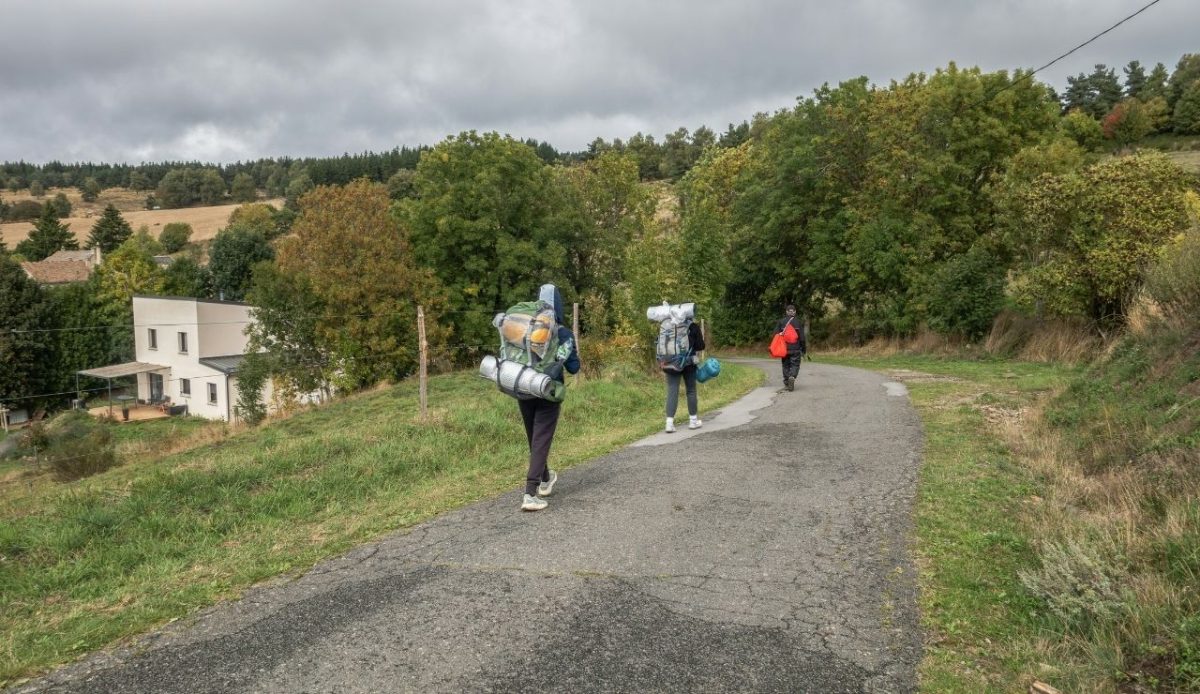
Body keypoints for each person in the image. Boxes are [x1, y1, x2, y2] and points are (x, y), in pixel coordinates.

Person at [519, 284, 580, 512]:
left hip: (523, 387)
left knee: (535, 438)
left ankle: (545, 479)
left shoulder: (525, 327)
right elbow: (574, 367)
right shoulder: (562, 333)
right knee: (541, 439)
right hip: (548, 391)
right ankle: (530, 493)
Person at [662, 309, 705, 433]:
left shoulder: (667, 324)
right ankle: (693, 421)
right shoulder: (692, 326)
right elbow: (701, 346)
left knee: (672, 391)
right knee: (691, 390)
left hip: (670, 363)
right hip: (689, 363)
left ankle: (669, 424)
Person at [774, 304, 805, 391]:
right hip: (795, 348)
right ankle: (792, 376)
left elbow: (775, 335)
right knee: (795, 364)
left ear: (787, 312)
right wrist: (803, 349)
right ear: (795, 312)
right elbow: (802, 338)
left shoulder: (781, 322)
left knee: (785, 365)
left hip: (784, 349)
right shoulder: (798, 322)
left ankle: (787, 383)